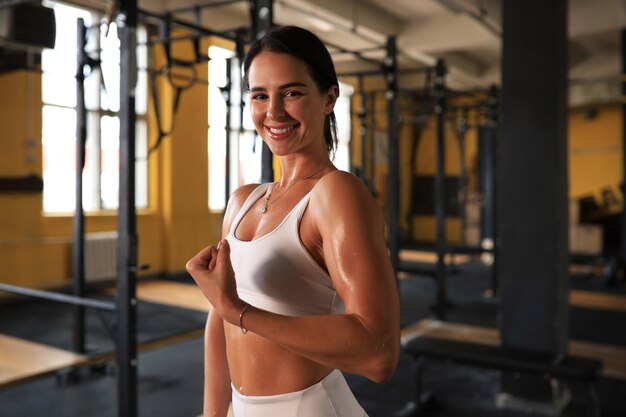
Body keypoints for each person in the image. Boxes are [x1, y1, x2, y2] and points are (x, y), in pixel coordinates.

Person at [186, 25, 400, 417]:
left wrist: (241, 312)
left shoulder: (335, 193)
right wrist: (213, 413)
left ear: (329, 98)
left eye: (292, 92)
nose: (274, 112)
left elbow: (378, 353)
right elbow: (220, 317)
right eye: (260, 95)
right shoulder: (242, 201)